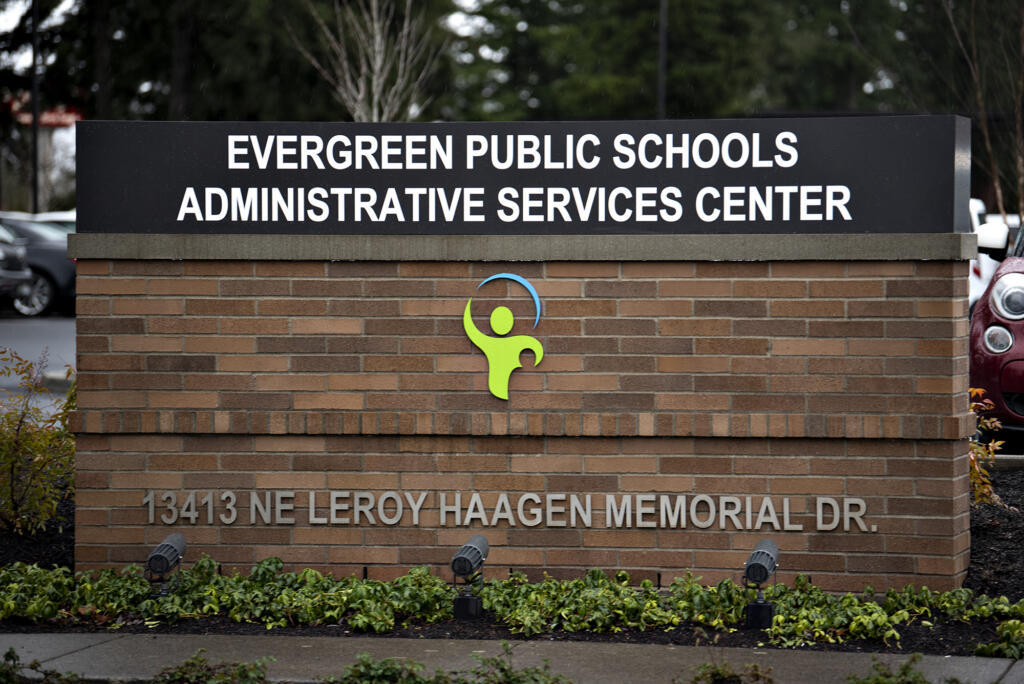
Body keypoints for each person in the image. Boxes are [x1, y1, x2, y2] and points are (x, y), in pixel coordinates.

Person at [463, 300, 543, 400]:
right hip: (498, 388)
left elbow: (473, 332)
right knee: (498, 387)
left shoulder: (518, 341)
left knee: (498, 387)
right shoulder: (519, 341)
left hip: (499, 388)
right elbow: (472, 331)